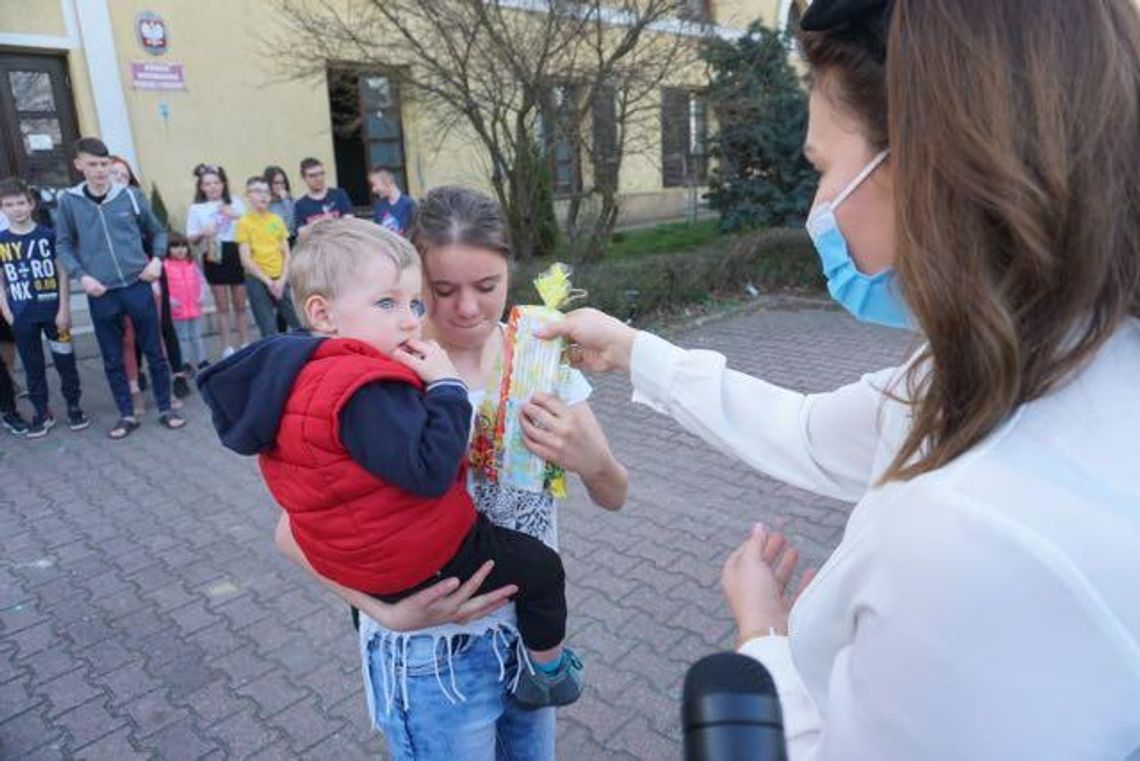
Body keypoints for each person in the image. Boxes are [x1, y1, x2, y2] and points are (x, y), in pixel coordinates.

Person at [541, 1, 1140, 759]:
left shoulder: (980, 540)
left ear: (934, 169)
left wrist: (764, 643)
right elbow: (803, 430)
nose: (817, 211)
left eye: (823, 168)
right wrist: (631, 348)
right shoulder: (1030, 364)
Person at [270, 186, 628, 760]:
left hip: (527, 639)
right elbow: (291, 531)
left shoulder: (540, 358)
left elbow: (615, 493)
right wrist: (384, 611)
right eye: (441, 291)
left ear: (510, 269)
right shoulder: (378, 376)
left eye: (487, 287)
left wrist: (592, 461)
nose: (466, 308)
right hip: (429, 662)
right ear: (412, 284)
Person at [202, 217, 589, 710]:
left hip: (358, 560)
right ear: (323, 313)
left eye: (413, 303)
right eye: (387, 303)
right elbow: (430, 471)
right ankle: (548, 674)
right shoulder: (365, 386)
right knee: (541, 568)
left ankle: (375, 614)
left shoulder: (297, 375)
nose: (408, 319)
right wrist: (447, 389)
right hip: (421, 557)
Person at [54, 137, 184, 439]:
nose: (99, 171)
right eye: (92, 165)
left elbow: (158, 231)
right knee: (112, 357)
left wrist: (156, 261)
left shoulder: (131, 196)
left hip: (137, 285)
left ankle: (166, 408)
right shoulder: (70, 202)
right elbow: (62, 244)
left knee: (154, 349)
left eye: (104, 164)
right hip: (101, 291)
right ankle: (126, 414)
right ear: (79, 166)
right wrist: (81, 276)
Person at [0, 177, 88, 437]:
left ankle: (74, 406)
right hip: (22, 315)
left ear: (31, 204)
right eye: (9, 204)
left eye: (20, 203)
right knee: (33, 365)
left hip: (53, 312)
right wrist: (7, 313)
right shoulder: (1, 241)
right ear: (2, 208)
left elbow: (62, 274)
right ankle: (42, 411)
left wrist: (64, 308)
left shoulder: (49, 237)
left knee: (65, 361)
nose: (16, 209)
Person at [108, 155, 189, 407]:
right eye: (114, 174)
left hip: (148, 273)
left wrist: (155, 260)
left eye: (123, 174)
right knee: (127, 337)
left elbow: (157, 234)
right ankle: (135, 391)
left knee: (158, 331)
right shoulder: (101, 210)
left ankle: (168, 389)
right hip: (117, 280)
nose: (119, 178)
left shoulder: (138, 202)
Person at [186, 163, 249, 358]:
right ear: (202, 187)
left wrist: (236, 214)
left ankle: (245, 343)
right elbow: (190, 237)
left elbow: (250, 224)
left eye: (216, 182)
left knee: (240, 304)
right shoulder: (196, 208)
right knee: (222, 306)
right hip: (213, 252)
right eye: (208, 184)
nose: (213, 187)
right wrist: (202, 233)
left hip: (235, 250)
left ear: (223, 184)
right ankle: (226, 347)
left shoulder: (236, 202)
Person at [234, 176, 301, 337]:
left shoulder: (276, 220)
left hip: (281, 278)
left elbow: (286, 252)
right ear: (248, 195)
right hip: (258, 279)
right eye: (257, 191)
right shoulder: (244, 223)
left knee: (298, 322)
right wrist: (268, 282)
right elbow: (245, 259)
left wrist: (282, 279)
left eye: (266, 192)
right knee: (268, 327)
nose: (263, 196)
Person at [163, 233, 208, 373]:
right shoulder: (165, 266)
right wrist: (170, 300)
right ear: (167, 249)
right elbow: (162, 287)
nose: (180, 250)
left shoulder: (191, 264)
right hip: (178, 309)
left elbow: (201, 281)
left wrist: (202, 295)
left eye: (183, 246)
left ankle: (202, 361)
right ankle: (185, 363)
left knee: (197, 336)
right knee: (182, 338)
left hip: (194, 307)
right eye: (175, 246)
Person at [292, 158, 353, 230]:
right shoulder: (300, 205)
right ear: (303, 178)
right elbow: (301, 233)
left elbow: (350, 223)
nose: (319, 178)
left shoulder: (339, 195)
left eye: (321, 173)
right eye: (312, 175)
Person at [369, 168, 417, 237]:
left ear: (387, 182)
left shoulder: (409, 205)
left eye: (375, 185)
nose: (373, 190)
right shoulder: (378, 206)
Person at [263, 165, 297, 241]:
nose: (280, 186)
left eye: (282, 183)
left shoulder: (292, 202)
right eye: (276, 183)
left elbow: (291, 227)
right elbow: (274, 230)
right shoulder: (265, 206)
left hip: (292, 242)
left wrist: (286, 201)